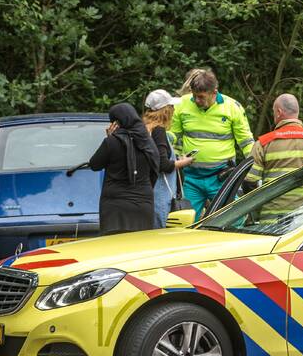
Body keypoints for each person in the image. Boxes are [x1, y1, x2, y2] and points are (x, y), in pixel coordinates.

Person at [170, 69, 254, 218]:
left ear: (214, 92)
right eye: (194, 96)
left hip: (221, 177)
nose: (197, 100)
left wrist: (254, 170)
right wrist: (172, 163)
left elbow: (246, 141)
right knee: (187, 221)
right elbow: (173, 138)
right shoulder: (182, 104)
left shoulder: (232, 107)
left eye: (201, 97)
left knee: (233, 218)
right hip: (191, 178)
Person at [243, 94, 303, 219]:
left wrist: (257, 210)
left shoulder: (264, 143)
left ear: (278, 112)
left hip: (272, 220)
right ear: (297, 112)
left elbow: (250, 182)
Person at [88, 103, 160, 235]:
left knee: (114, 244)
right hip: (143, 203)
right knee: (141, 245)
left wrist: (110, 138)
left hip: (115, 205)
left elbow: (94, 165)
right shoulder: (148, 142)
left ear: (116, 123)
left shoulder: (111, 142)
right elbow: (155, 170)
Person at [142, 89, 194, 228]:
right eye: (171, 106)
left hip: (146, 192)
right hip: (160, 194)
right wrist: (184, 162)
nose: (174, 109)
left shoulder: (143, 129)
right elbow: (163, 164)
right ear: (165, 110)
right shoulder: (158, 130)